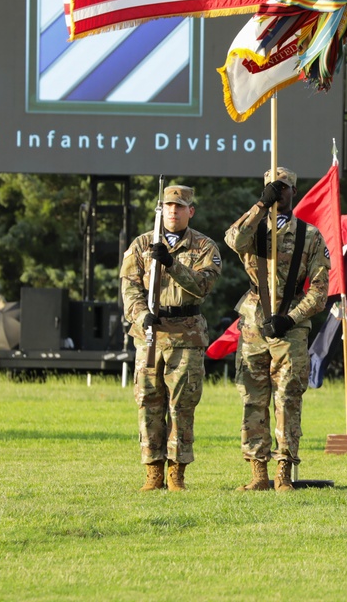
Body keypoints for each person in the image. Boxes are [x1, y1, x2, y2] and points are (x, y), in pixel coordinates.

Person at [224, 167, 330, 492]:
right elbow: (233, 240)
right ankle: (258, 470)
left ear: (293, 192)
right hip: (255, 321)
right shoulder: (254, 229)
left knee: (288, 397)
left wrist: (292, 318)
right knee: (253, 397)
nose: (278, 192)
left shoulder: (309, 236)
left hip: (290, 323)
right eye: (272, 187)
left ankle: (284, 468)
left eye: (282, 187)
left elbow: (320, 290)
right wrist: (259, 206)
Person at [120, 184, 222, 492]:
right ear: (161, 210)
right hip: (150, 334)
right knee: (149, 403)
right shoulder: (141, 244)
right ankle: (153, 470)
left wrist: (171, 264)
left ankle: (177, 472)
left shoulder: (204, 246)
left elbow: (203, 287)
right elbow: (129, 289)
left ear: (190, 211)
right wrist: (140, 315)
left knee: (182, 405)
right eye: (168, 206)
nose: (173, 212)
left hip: (186, 334)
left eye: (179, 207)